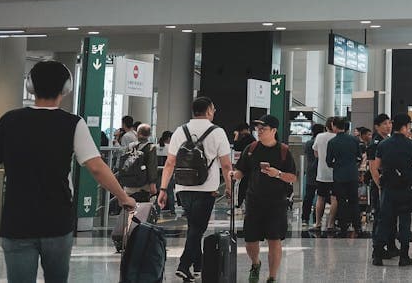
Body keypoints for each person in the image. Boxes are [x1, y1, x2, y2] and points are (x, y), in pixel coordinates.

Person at [0, 61, 137, 283]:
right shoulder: (72, 123)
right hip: (57, 220)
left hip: (17, 221)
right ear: (66, 88)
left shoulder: (9, 120)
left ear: (30, 86)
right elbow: (96, 167)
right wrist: (124, 198)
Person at [158, 96, 234, 282]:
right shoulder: (217, 132)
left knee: (194, 226)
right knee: (198, 228)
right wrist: (230, 188)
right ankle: (184, 265)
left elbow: (169, 163)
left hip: (182, 187)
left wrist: (162, 189)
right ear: (208, 111)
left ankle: (198, 265)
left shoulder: (179, 131)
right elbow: (226, 165)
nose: (214, 112)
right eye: (213, 109)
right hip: (206, 188)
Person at [233, 115, 297, 283]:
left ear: (274, 131)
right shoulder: (251, 148)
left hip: (277, 202)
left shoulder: (284, 151)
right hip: (254, 201)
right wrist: (234, 175)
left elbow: (293, 177)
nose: (259, 131)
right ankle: (255, 264)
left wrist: (279, 174)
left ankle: (272, 277)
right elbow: (241, 170)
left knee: (274, 240)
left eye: (263, 129)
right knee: (250, 240)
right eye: (258, 128)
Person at [375, 114, 412, 267]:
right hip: (405, 189)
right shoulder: (410, 145)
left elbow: (377, 165)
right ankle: (404, 256)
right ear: (406, 126)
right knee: (404, 221)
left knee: (384, 221)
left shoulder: (383, 144)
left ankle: (378, 255)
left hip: (388, 188)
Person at [325, 117, 363, 237]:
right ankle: (357, 226)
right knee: (354, 202)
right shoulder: (354, 140)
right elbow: (359, 157)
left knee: (341, 202)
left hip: (339, 176)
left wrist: (336, 165)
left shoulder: (332, 142)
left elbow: (328, 161)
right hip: (352, 175)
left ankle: (343, 228)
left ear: (334, 126)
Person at [366, 113, 394, 264]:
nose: (388, 126)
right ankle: (378, 247)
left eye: (389, 123)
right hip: (380, 185)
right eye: (384, 124)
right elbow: (373, 168)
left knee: (388, 216)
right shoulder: (375, 143)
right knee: (380, 216)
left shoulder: (387, 140)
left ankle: (388, 244)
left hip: (388, 184)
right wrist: (379, 186)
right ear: (377, 127)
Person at [122, 123, 159, 203]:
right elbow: (152, 166)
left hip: (129, 184)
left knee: (129, 208)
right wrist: (153, 183)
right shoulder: (151, 147)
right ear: (149, 134)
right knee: (143, 209)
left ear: (137, 133)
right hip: (144, 185)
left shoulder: (130, 146)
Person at [311, 118, 337, 234]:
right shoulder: (337, 137)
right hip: (335, 174)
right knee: (334, 198)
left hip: (322, 173)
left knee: (320, 198)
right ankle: (331, 224)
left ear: (326, 126)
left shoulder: (320, 137)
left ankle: (317, 223)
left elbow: (315, 153)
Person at [301, 123, 325, 226]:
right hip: (321, 172)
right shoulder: (323, 143)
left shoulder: (308, 143)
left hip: (310, 172)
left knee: (308, 196)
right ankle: (317, 218)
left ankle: (305, 218)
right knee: (321, 197)